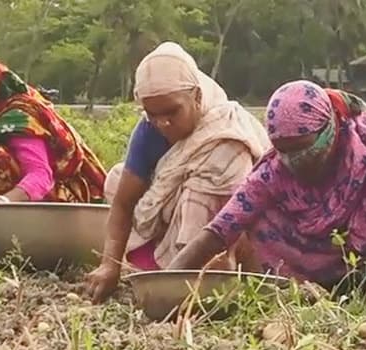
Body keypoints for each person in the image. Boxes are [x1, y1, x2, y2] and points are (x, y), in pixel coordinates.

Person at [169, 80, 366, 299]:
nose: (293, 162)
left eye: (303, 150)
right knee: (255, 215)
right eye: (283, 151)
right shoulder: (275, 171)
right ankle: (316, 290)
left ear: (331, 129)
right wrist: (165, 279)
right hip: (328, 272)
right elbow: (220, 229)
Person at [85, 42, 270, 303]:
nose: (163, 123)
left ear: (196, 97)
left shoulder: (227, 132)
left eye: (172, 112)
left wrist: (230, 255)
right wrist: (109, 264)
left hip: (232, 242)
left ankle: (203, 273)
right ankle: (161, 269)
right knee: (118, 179)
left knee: (209, 177)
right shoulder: (149, 132)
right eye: (152, 114)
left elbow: (245, 211)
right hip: (172, 232)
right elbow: (124, 203)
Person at [0, 56, 107, 231]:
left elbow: (41, 176)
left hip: (69, 211)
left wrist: (4, 201)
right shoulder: (18, 106)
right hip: (72, 205)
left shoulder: (15, 118)